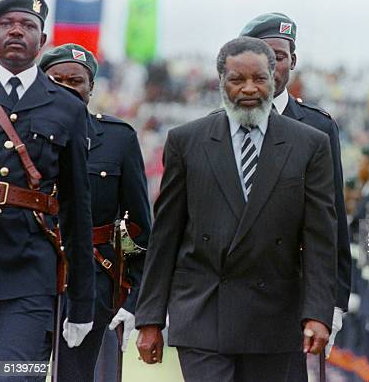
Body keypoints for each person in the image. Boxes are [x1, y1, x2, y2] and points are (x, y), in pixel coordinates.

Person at [134, 37, 337, 381]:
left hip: (273, 314)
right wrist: (149, 318)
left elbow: (320, 237)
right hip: (202, 311)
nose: (249, 88)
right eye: (237, 79)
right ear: (221, 82)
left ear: (274, 79)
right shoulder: (186, 141)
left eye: (259, 78)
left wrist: (318, 313)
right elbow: (165, 235)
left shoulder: (310, 144)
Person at [239, 14, 350, 367]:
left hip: (293, 290)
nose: (272, 66)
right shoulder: (222, 123)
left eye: (280, 57)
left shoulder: (318, 127)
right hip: (234, 287)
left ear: (294, 61)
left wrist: (334, 302)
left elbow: (333, 217)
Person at [38, 44, 152, 381]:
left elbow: (138, 229)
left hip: (93, 283)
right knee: (16, 371)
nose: (67, 87)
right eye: (56, 80)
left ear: (91, 88)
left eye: (77, 81)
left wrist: (135, 300)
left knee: (75, 376)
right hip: (29, 277)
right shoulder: (18, 137)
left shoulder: (119, 138)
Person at [0, 0, 94, 374]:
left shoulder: (67, 107)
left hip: (29, 274)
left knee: (16, 375)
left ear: (43, 40)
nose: (16, 31)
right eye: (6, 24)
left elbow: (76, 207)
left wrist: (81, 303)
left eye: (28, 25)